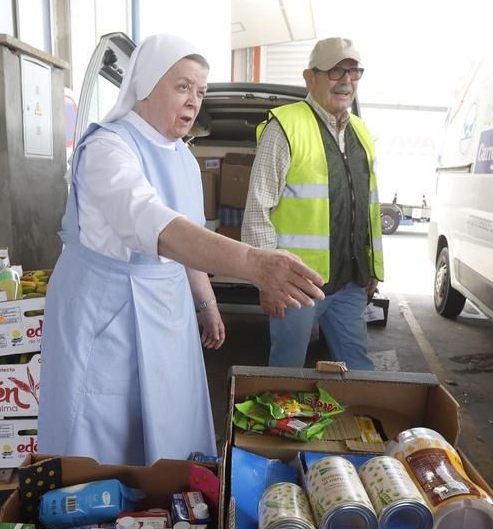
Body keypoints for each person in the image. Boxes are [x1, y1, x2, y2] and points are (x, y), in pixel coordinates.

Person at [37, 35, 325, 467]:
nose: (194, 101)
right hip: (105, 311)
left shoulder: (183, 159)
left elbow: (186, 239)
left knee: (170, 419)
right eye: (182, 86)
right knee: (102, 425)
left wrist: (206, 303)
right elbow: (155, 226)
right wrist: (252, 263)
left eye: (201, 91)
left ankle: (167, 508)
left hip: (166, 309)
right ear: (147, 84)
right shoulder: (107, 148)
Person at [244, 37, 383, 370]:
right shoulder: (285, 127)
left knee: (358, 368)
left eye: (354, 71)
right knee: (287, 371)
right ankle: (284, 424)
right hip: (296, 285)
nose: (347, 80)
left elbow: (368, 207)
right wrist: (266, 280)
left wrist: (372, 266)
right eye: (336, 71)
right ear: (310, 78)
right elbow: (257, 209)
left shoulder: (361, 132)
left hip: (350, 281)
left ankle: (355, 424)